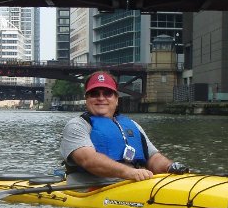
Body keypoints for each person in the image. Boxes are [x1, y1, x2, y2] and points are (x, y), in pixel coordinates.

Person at [60, 71, 188, 183]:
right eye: (94, 93)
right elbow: (88, 160)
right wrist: (129, 172)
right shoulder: (77, 126)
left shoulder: (133, 125)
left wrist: (170, 167)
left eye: (107, 93)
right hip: (90, 189)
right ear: (87, 99)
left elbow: (153, 158)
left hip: (131, 185)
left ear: (116, 99)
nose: (101, 98)